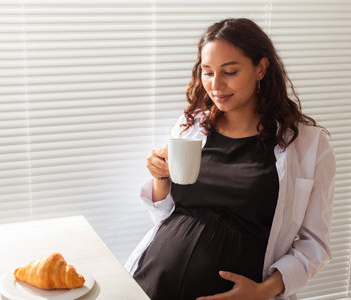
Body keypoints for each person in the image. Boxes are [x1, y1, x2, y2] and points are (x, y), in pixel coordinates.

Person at [124, 18, 336, 300]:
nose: (216, 85)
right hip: (152, 281)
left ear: (260, 68)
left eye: (230, 72)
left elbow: (315, 245)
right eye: (207, 72)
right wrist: (161, 177)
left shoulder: (308, 144)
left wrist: (262, 292)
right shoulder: (191, 127)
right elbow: (164, 216)